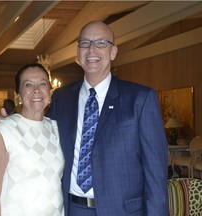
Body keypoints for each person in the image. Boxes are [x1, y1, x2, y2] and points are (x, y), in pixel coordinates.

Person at [47, 21, 168, 216]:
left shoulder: (140, 99)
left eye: (101, 43)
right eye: (85, 43)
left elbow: (156, 172)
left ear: (113, 52)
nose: (91, 49)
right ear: (78, 54)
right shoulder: (62, 98)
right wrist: (10, 128)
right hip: (72, 209)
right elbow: (44, 138)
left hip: (122, 211)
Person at [0, 63, 64, 216]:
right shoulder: (4, 130)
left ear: (50, 92)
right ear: (19, 95)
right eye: (28, 84)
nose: (36, 90)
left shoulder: (56, 128)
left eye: (42, 83)